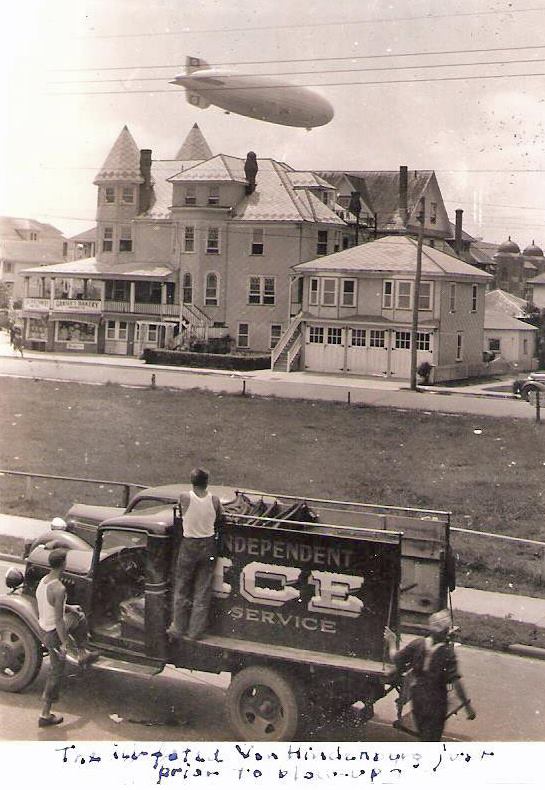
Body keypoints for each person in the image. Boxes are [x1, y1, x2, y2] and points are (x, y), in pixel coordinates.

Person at [385, 609, 476, 741]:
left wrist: (392, 642)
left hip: (418, 697)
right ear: (446, 632)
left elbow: (395, 658)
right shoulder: (447, 653)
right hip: (437, 700)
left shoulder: (417, 644)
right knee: (432, 739)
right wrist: (467, 706)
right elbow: (456, 682)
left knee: (423, 736)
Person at [35, 548, 98, 727]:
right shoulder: (60, 588)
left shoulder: (44, 581)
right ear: (63, 564)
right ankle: (45, 715)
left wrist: (70, 607)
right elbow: (58, 621)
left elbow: (50, 605)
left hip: (44, 628)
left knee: (79, 616)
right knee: (56, 670)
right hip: (53, 633)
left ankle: (82, 653)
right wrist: (64, 644)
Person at [167, 468, 224, 641]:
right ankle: (195, 631)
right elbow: (221, 517)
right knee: (203, 589)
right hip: (208, 544)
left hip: (189, 544)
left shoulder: (185, 497)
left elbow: (180, 511)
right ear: (207, 482)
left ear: (192, 481)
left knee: (182, 587)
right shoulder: (214, 500)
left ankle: (178, 627)